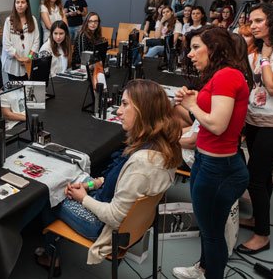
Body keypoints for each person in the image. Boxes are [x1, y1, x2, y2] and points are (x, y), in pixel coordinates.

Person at [35, 79, 181, 274]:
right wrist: (90, 185)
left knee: (51, 195)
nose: (118, 111)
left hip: (104, 228)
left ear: (143, 110)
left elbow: (113, 215)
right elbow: (122, 181)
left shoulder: (141, 163)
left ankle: (51, 256)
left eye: (125, 104)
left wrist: (83, 198)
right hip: (138, 223)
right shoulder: (162, 147)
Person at [173, 26, 252, 279]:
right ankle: (204, 269)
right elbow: (204, 118)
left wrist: (194, 104)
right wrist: (191, 101)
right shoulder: (218, 76)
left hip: (219, 169)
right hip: (207, 162)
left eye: (196, 48)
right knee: (210, 230)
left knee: (213, 234)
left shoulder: (227, 76)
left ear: (215, 47)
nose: (190, 55)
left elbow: (217, 125)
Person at [238, 3, 273, 254]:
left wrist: (267, 57)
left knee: (255, 176)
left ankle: (262, 236)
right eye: (252, 21)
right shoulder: (261, 46)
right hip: (256, 118)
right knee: (263, 173)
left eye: (258, 21)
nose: (253, 25)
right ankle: (259, 220)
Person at [2, 0, 40, 81]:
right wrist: (19, 58)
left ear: (27, 5)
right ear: (14, 5)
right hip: (13, 63)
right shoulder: (9, 21)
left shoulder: (33, 19)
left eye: (23, 2)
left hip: (28, 62)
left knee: (28, 89)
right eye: (17, 2)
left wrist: (29, 58)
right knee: (15, 91)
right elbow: (6, 44)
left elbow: (36, 40)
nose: (20, 5)